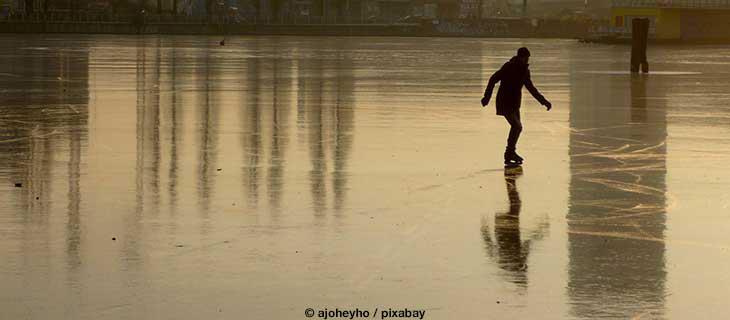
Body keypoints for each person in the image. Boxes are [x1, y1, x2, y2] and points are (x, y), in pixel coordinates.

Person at [481, 47, 552, 166]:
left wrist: (544, 101)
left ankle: (510, 153)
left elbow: (531, 88)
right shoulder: (508, 66)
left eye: (528, 58)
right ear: (520, 57)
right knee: (517, 127)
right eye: (526, 58)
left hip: (514, 104)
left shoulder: (524, 70)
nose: (527, 60)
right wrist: (487, 97)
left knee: (517, 127)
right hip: (504, 102)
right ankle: (509, 152)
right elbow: (493, 79)